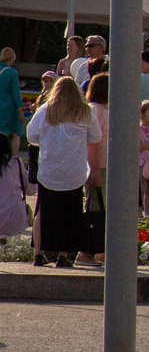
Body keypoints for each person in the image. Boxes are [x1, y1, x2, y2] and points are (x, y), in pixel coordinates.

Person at [26, 76, 102, 268]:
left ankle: (38, 253)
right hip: (74, 171)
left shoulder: (46, 111)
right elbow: (96, 137)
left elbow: (31, 136)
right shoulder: (85, 112)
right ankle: (63, 254)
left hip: (49, 169)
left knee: (43, 211)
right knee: (71, 213)